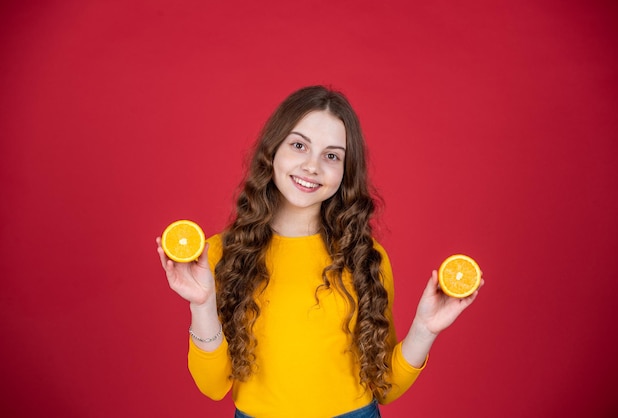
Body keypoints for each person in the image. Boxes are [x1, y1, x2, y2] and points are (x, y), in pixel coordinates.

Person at [156, 85, 483, 418]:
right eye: (299, 145)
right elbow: (212, 386)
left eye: (331, 156)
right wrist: (202, 304)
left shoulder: (366, 257)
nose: (312, 166)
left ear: (345, 172)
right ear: (273, 151)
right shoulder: (219, 254)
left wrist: (425, 329)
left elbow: (385, 385)